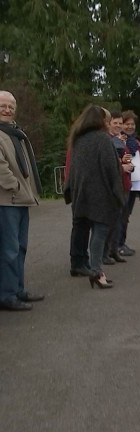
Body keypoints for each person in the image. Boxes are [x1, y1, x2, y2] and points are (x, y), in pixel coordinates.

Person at [64, 105, 125, 289]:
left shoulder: (78, 140)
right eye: (106, 120)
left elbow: (72, 169)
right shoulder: (102, 140)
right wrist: (118, 195)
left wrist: (70, 191)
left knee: (82, 229)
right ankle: (97, 272)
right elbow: (111, 169)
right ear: (100, 121)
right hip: (101, 195)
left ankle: (85, 267)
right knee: (100, 232)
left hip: (81, 194)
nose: (108, 124)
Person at [0, 90, 45, 311]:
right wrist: (16, 187)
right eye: (3, 106)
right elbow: (1, 169)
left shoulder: (15, 133)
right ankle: (6, 295)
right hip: (6, 201)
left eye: (11, 106)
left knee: (20, 248)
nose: (7, 110)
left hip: (20, 200)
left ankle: (18, 289)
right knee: (8, 250)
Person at [117, 110, 140, 257]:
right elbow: (121, 158)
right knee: (121, 214)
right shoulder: (120, 141)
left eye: (132, 124)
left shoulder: (135, 141)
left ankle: (121, 243)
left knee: (126, 215)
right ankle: (117, 245)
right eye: (127, 123)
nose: (130, 126)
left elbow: (137, 158)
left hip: (136, 181)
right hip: (125, 181)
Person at [103, 111, 132, 265]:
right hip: (113, 185)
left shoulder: (120, 141)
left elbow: (124, 160)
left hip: (124, 183)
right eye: (116, 123)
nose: (118, 126)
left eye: (120, 123)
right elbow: (109, 164)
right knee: (111, 220)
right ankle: (106, 252)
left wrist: (129, 164)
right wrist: (123, 165)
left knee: (120, 219)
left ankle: (114, 249)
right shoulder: (107, 141)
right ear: (108, 124)